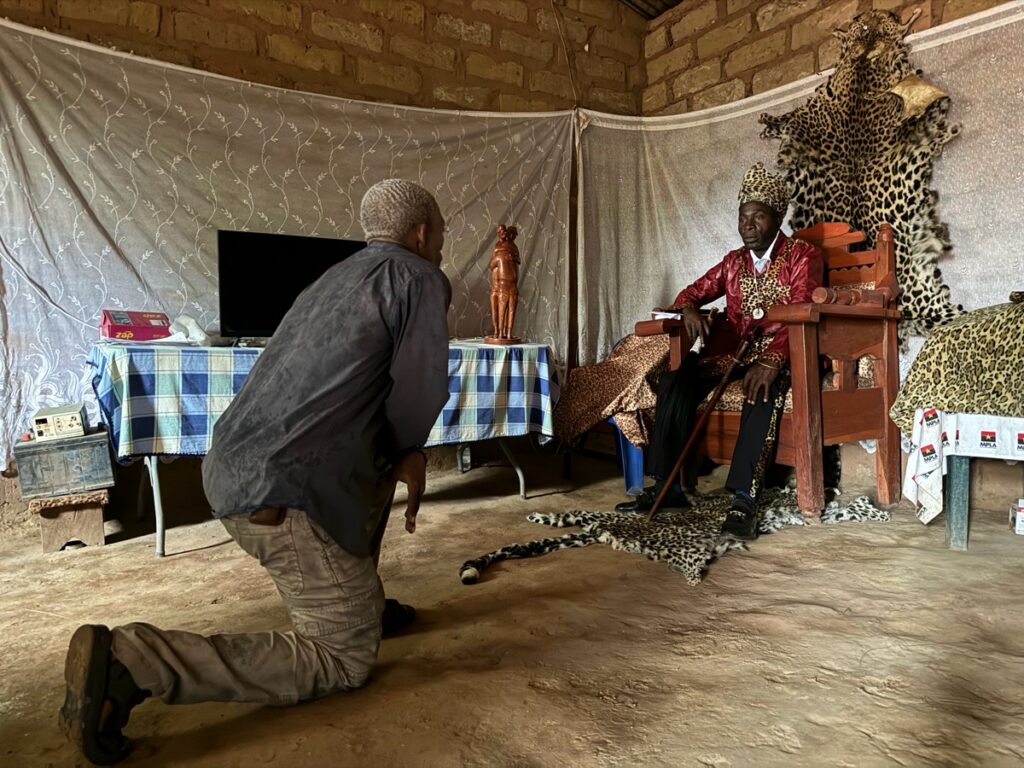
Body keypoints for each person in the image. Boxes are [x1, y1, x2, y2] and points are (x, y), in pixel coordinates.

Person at [59, 179, 452, 766]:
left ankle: (357, 601)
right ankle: (134, 660)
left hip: (231, 470)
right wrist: (413, 449)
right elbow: (418, 392)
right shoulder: (418, 277)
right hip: (287, 495)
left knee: (367, 463)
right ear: (422, 234)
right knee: (343, 660)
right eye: (440, 236)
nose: (441, 248)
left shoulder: (331, 280)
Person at [614, 162, 823, 540]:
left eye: (758, 216)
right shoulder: (732, 263)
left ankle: (745, 498)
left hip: (788, 352)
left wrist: (773, 360)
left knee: (760, 389)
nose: (748, 224)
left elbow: (802, 310)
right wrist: (691, 310)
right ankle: (667, 485)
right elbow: (688, 294)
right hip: (735, 353)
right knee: (677, 379)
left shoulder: (802, 256)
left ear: (776, 218)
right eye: (744, 216)